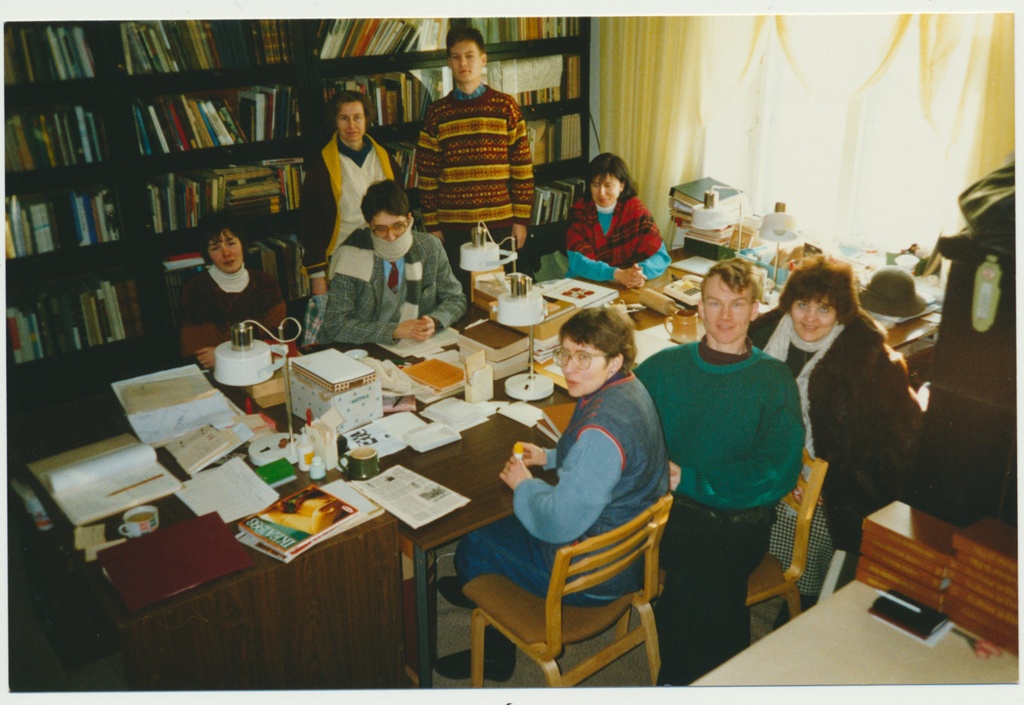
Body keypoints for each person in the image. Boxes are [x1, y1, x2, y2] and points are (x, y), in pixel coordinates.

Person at [434, 307, 669, 681]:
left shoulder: (600, 433)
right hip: (629, 557)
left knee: (474, 541)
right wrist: (550, 457)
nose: (568, 368)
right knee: (507, 525)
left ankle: (497, 648)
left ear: (614, 361)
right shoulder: (631, 389)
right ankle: (480, 581)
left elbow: (558, 522)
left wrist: (524, 484)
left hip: (591, 579)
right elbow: (609, 459)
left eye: (584, 357)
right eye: (565, 353)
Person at [634, 257, 804, 685]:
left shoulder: (773, 378)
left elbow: (778, 470)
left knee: (706, 567)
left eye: (737, 303)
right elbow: (618, 415)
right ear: (699, 308)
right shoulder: (664, 367)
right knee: (704, 568)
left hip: (740, 517)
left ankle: (684, 683)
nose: (725, 316)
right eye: (714, 303)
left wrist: (691, 479)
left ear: (755, 309)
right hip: (670, 513)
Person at [749, 255, 923, 616]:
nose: (810, 318)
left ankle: (800, 606)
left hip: (829, 482)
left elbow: (889, 443)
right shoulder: (766, 335)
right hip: (767, 458)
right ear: (789, 304)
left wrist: (821, 480)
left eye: (824, 309)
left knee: (811, 529)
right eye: (802, 305)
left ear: (841, 312)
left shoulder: (869, 361)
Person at [416, 26, 534, 293]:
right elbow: (427, 175)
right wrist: (433, 226)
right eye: (455, 57)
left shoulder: (506, 107)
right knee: (459, 298)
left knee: (500, 297)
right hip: (453, 227)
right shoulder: (437, 114)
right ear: (448, 63)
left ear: (483, 59)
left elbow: (522, 169)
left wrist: (522, 219)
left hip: (501, 224)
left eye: (469, 55)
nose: (463, 63)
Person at [320, 180, 466, 345]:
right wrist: (394, 331)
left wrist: (435, 321)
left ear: (409, 219)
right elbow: (335, 326)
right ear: (369, 225)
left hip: (415, 346)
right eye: (381, 229)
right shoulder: (350, 256)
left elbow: (455, 298)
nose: (391, 237)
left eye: (398, 226)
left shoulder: (430, 247)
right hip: (364, 348)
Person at [299, 90, 402, 296]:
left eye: (357, 117)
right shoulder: (321, 166)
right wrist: (318, 276)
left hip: (387, 255)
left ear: (367, 119)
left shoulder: (385, 159)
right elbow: (311, 224)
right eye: (344, 118)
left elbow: (400, 210)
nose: (351, 125)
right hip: (344, 259)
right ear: (335, 121)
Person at [179, 212, 286, 369]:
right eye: (215, 247)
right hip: (216, 376)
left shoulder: (266, 284)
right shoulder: (195, 291)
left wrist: (224, 355)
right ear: (207, 254)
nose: (226, 253)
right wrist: (252, 350)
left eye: (231, 243)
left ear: (242, 243)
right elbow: (201, 356)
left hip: (263, 369)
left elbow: (277, 345)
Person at [565, 153, 670, 288]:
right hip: (583, 284)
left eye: (608, 185)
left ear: (622, 185)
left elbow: (661, 257)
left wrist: (635, 274)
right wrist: (615, 274)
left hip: (625, 286)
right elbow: (578, 263)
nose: (601, 192)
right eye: (595, 185)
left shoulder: (635, 210)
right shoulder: (579, 213)